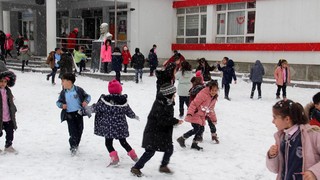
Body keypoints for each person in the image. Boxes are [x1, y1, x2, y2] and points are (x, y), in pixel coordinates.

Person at [130, 83, 183, 177]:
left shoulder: (167, 102)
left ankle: (163, 166)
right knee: (150, 152)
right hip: (154, 132)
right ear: (168, 94)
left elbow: (165, 118)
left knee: (169, 148)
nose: (175, 95)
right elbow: (162, 119)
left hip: (162, 132)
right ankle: (136, 168)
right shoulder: (160, 104)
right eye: (173, 94)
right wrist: (175, 121)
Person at [88, 79, 139, 166]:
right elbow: (129, 112)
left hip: (109, 128)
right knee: (123, 142)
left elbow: (94, 108)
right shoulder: (123, 101)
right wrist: (134, 116)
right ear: (120, 90)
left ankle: (114, 158)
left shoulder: (104, 102)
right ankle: (134, 156)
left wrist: (83, 111)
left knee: (108, 143)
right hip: (120, 127)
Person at [266, 99, 320, 180]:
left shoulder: (312, 135)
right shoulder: (281, 138)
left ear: (287, 119)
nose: (273, 121)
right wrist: (272, 156)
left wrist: (314, 173)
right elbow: (275, 169)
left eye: (275, 117)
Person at [177, 80, 219, 150]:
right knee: (197, 129)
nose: (214, 92)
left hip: (201, 116)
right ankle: (182, 138)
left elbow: (211, 110)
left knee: (201, 129)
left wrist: (213, 119)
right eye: (212, 90)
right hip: (195, 113)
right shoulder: (203, 94)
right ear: (209, 89)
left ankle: (194, 144)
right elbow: (194, 103)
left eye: (215, 90)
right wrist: (190, 113)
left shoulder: (213, 98)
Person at [56, 73, 91, 156]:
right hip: (69, 115)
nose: (61, 83)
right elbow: (58, 102)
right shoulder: (63, 92)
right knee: (73, 132)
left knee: (80, 130)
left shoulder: (78, 90)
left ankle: (76, 144)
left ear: (69, 81)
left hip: (79, 113)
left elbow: (88, 96)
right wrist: (62, 105)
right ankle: (73, 147)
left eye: (63, 81)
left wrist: (85, 102)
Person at [0, 71, 17, 153]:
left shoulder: (8, 91)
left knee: (10, 131)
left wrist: (13, 108)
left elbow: (10, 102)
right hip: (0, 116)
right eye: (1, 81)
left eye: (5, 81)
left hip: (8, 116)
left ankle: (8, 145)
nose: (3, 83)